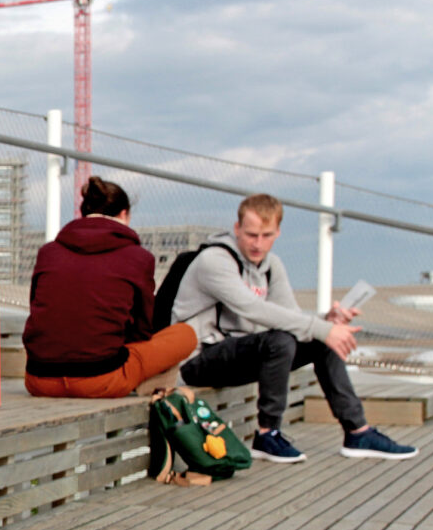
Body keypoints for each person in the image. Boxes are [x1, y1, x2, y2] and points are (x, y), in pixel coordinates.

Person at [173, 193, 416, 463]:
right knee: (281, 340)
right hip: (195, 359)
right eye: (251, 234)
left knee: (319, 341)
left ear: (278, 231)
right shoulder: (214, 260)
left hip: (241, 354)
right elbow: (252, 308)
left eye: (266, 235)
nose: (258, 243)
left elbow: (290, 317)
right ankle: (268, 433)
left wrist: (327, 321)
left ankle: (358, 431)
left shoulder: (271, 266)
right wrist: (321, 328)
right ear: (237, 228)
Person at [24, 176, 197, 398]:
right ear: (124, 214)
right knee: (185, 334)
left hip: (40, 380)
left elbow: (39, 312)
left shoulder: (48, 252)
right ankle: (146, 386)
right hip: (101, 379)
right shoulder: (138, 258)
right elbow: (142, 329)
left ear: (83, 212)